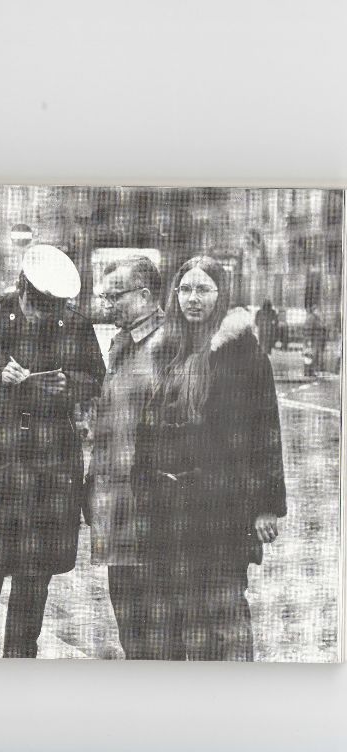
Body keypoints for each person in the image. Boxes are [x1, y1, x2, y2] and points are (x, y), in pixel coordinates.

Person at [0, 245, 105, 658]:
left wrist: (70, 384)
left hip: (49, 468)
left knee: (33, 579)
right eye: (37, 305)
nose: (43, 315)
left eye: (52, 308)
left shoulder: (75, 323)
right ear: (22, 289)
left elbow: (96, 376)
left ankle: (19, 663)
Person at [134, 256, 286, 661]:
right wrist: (142, 487)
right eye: (185, 289)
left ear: (221, 295)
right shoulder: (166, 351)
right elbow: (147, 429)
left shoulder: (245, 354)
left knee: (224, 612)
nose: (193, 298)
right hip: (170, 506)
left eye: (203, 289)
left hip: (224, 506)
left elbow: (266, 431)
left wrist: (267, 506)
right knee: (186, 614)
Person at [85, 255, 166, 659]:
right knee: (129, 622)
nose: (107, 305)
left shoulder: (170, 346)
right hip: (115, 505)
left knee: (157, 628)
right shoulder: (120, 343)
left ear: (145, 296)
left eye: (115, 296)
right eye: (105, 296)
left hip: (152, 509)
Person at [304, 306, 327, 375]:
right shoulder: (312, 318)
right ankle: (308, 371)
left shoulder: (316, 318)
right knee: (311, 355)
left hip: (316, 340)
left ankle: (311, 371)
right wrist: (309, 340)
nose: (319, 312)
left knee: (313, 356)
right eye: (317, 310)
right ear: (314, 310)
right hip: (312, 340)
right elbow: (309, 329)